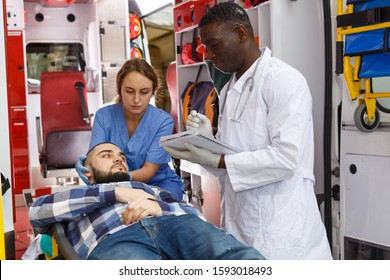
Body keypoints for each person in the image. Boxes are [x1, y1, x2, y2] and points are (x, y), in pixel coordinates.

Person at [164, 2, 332, 260]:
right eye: (204, 48)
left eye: (213, 45)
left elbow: (286, 158)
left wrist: (217, 159)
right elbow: (233, 158)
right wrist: (208, 141)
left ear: (241, 34)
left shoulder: (283, 80)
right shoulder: (230, 89)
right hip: (242, 223)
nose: (207, 55)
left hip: (283, 233)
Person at [29, 142, 265, 260]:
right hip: (113, 240)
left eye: (121, 156)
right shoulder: (79, 197)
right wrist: (116, 193)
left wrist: (159, 206)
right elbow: (37, 211)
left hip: (174, 226)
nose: (118, 159)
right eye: (106, 155)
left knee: (237, 257)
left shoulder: (149, 189)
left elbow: (196, 217)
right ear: (87, 171)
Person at [76, 58, 184, 200]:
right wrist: (87, 165)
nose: (136, 100)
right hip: (113, 184)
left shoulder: (163, 121)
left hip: (158, 184)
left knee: (153, 210)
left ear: (153, 92)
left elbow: (149, 170)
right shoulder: (104, 116)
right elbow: (97, 158)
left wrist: (118, 178)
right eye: (129, 91)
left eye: (144, 92)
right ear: (120, 89)